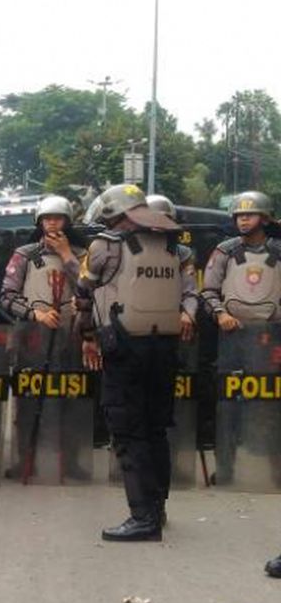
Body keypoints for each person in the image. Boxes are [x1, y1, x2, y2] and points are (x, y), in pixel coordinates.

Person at [77, 183, 198, 542]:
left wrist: (86, 337)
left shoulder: (104, 247)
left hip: (125, 349)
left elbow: (83, 294)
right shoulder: (176, 248)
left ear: (116, 214)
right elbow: (189, 294)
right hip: (165, 348)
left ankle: (142, 518)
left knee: (129, 432)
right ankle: (157, 508)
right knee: (156, 429)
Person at [1, 194, 90, 482]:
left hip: (70, 336)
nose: (52, 223)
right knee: (27, 403)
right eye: (47, 218)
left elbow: (91, 288)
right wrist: (33, 314)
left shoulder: (82, 254)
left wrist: (67, 256)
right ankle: (25, 460)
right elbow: (7, 296)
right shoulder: (24, 254)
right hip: (32, 338)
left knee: (71, 402)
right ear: (39, 222)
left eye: (58, 218)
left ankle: (72, 461)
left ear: (67, 221)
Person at [201, 190, 281, 490]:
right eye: (239, 215)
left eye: (250, 214)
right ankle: (226, 469)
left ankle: (276, 470)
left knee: (271, 409)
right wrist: (220, 313)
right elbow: (207, 290)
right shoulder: (225, 251)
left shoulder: (279, 249)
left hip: (270, 338)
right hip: (232, 338)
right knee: (229, 407)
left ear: (265, 217)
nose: (243, 219)